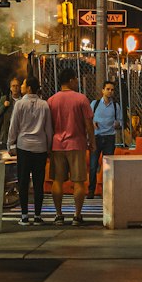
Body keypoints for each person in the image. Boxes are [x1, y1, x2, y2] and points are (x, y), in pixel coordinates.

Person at [47, 66, 95, 225]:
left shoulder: (51, 100)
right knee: (79, 181)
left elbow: (49, 125)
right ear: (70, 80)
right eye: (75, 79)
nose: (77, 82)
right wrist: (91, 142)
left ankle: (59, 214)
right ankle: (77, 215)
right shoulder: (81, 99)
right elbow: (89, 124)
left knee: (57, 180)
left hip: (57, 145)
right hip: (77, 144)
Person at [7, 74, 52, 225]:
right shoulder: (44, 105)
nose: (21, 87)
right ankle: (38, 216)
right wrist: (49, 147)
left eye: (24, 85)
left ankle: (24, 215)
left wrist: (10, 144)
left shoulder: (19, 104)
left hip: (24, 146)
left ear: (29, 88)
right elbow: (48, 129)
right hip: (40, 147)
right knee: (39, 183)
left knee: (23, 181)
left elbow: (14, 126)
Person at [88, 79, 123, 197]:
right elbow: (88, 118)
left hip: (109, 138)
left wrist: (117, 124)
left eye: (112, 90)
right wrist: (92, 123)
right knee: (93, 165)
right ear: (103, 90)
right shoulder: (95, 104)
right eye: (107, 89)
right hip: (96, 137)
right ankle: (91, 190)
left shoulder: (115, 106)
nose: (110, 92)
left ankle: (107, 190)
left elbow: (120, 121)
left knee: (108, 167)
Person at [0, 76, 22, 151]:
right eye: (13, 86)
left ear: (20, 87)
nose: (15, 88)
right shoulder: (5, 99)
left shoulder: (23, 100)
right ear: (10, 88)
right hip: (6, 134)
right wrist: (3, 106)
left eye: (17, 86)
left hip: (20, 134)